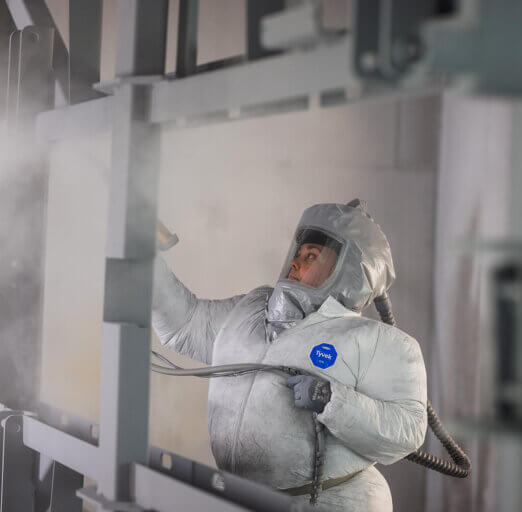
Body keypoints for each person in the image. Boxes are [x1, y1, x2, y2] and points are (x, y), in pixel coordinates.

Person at [152, 200, 428, 511]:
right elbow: (185, 325)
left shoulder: (378, 341)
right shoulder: (250, 311)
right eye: (297, 254)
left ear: (348, 269)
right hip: (240, 498)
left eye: (311, 256)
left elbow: (407, 430)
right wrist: (145, 263)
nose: (295, 263)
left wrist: (331, 399)